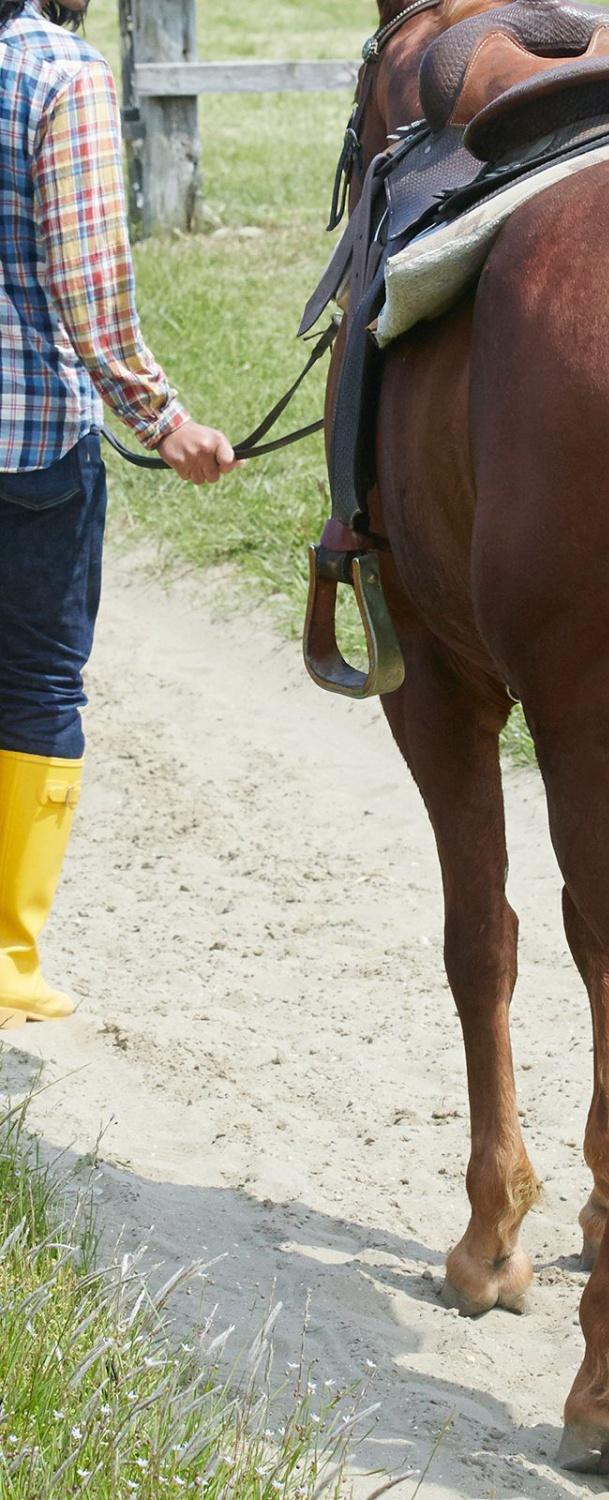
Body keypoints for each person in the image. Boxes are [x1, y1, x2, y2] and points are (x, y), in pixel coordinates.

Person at [1, 0, 236, 1028]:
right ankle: (8, 956)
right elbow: (86, 280)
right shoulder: (57, 73)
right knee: (39, 683)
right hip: (26, 441)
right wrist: (162, 418)